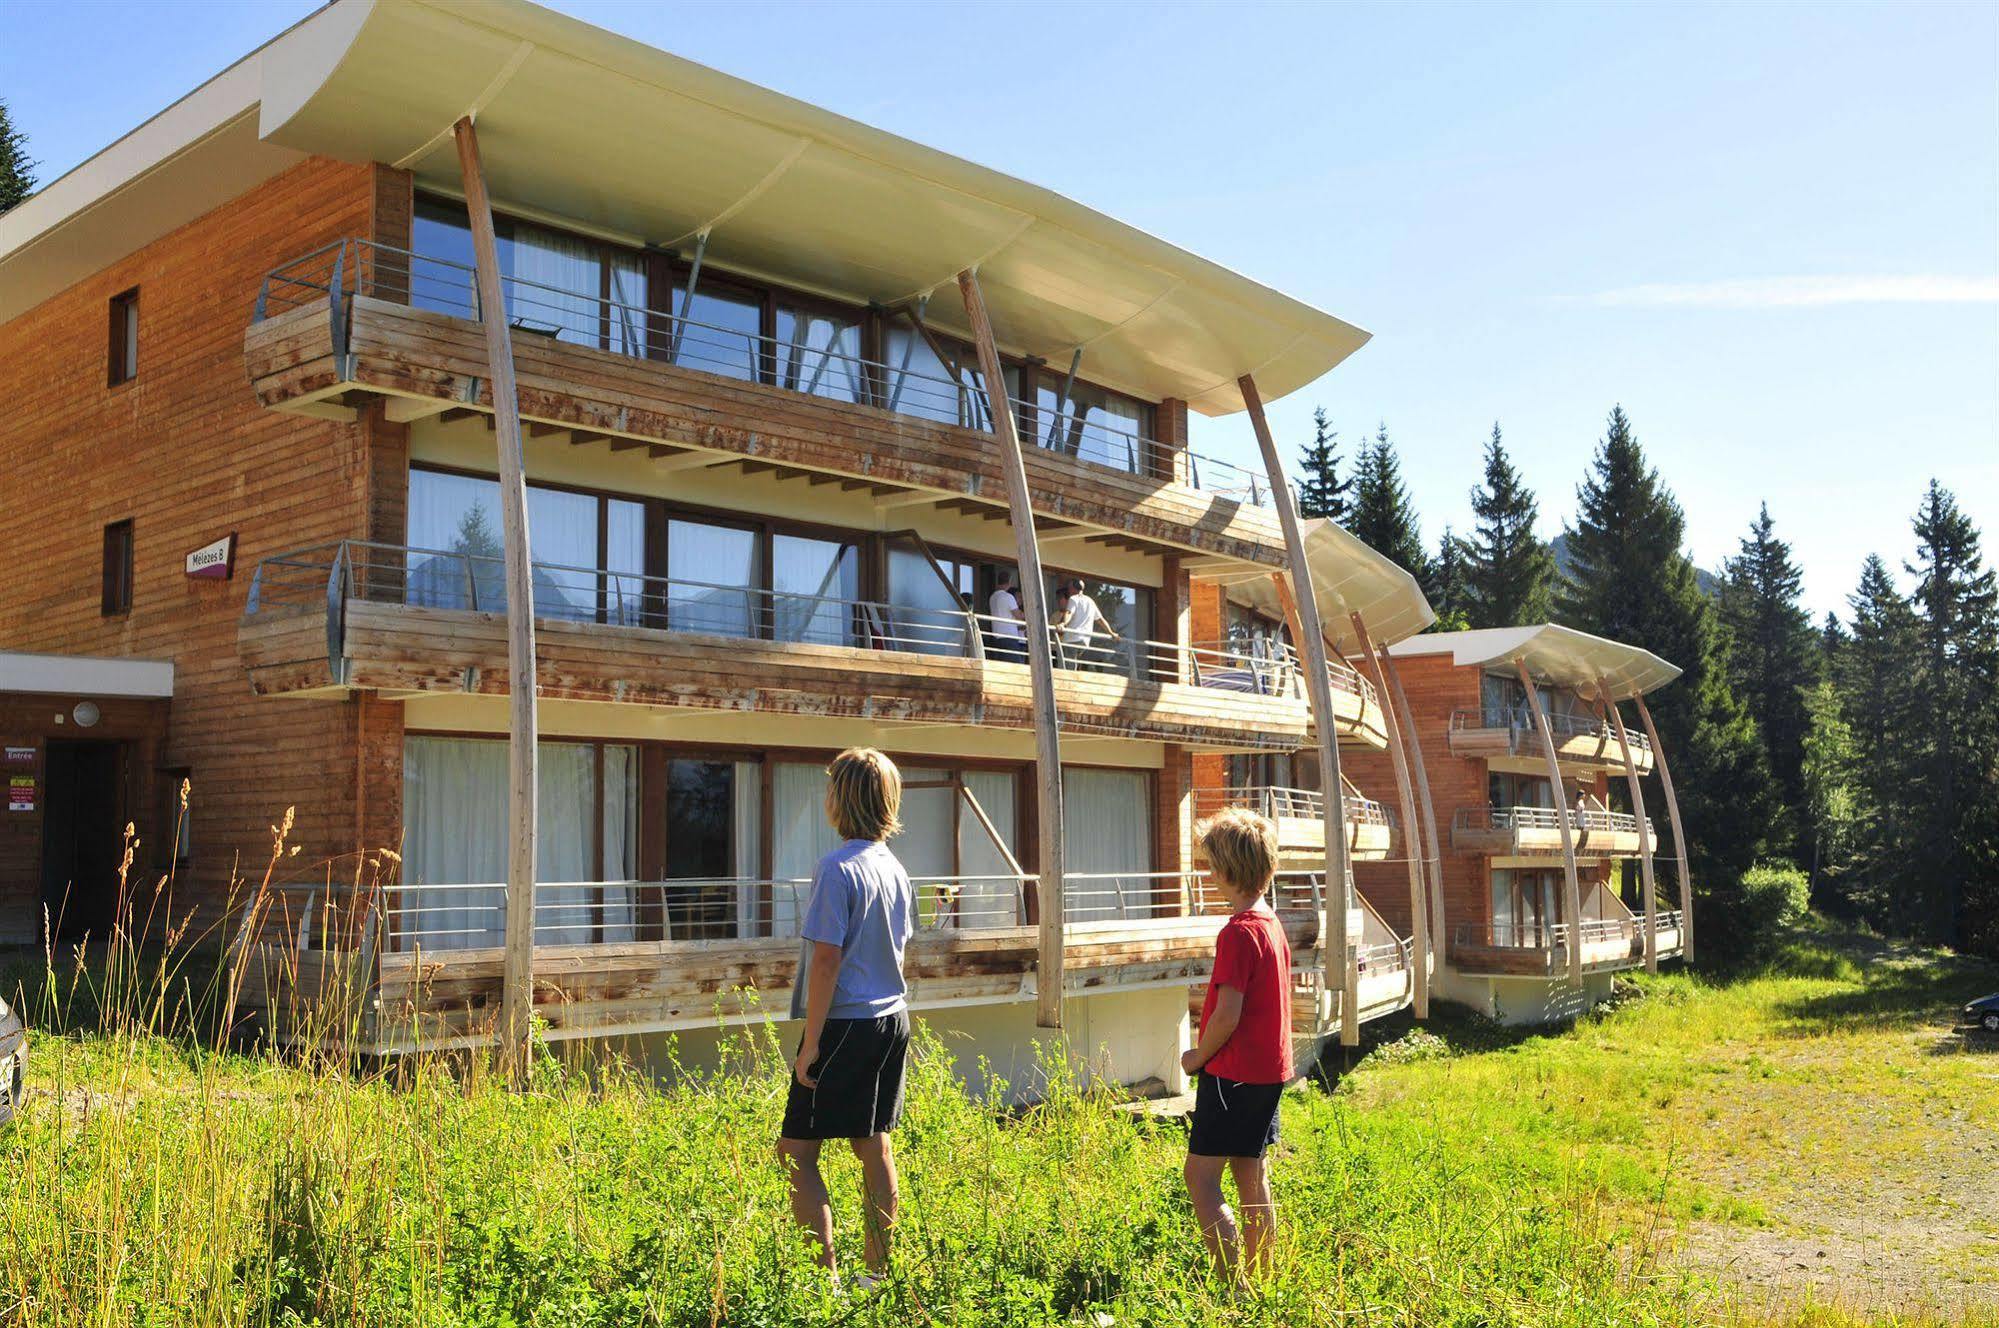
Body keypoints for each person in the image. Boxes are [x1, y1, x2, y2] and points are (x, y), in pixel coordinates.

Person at [777, 748, 915, 1287]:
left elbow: (827, 960)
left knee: (795, 1154)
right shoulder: (895, 868)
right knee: (874, 1145)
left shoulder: (836, 869)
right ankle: (877, 1275)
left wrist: (811, 1043)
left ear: (843, 799)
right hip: (891, 1020)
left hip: (845, 1025)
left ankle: (824, 1282)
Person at [1181, 807, 1293, 1282]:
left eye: (1210, 865)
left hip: (1232, 1075)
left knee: (1201, 1178)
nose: (1208, 875)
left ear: (1224, 871)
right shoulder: (1270, 923)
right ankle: (1262, 1280)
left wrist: (1195, 1058)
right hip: (1269, 1073)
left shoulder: (1239, 932)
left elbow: (1228, 1014)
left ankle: (1233, 1287)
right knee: (1251, 1174)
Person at [1056, 579, 1121, 671]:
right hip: (1085, 641)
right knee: (1074, 665)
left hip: (1072, 639)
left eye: (1069, 588)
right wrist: (1111, 632)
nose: (1068, 590)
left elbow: (1069, 613)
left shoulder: (1073, 599)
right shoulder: (1090, 601)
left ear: (1072, 588)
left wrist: (1063, 624)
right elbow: (1100, 620)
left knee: (1067, 668)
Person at [988, 570, 1026, 662]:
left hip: (996, 637)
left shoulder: (992, 597)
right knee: (1015, 666)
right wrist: (1029, 612)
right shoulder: (1008, 597)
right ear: (1009, 582)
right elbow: (1019, 616)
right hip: (1009, 637)